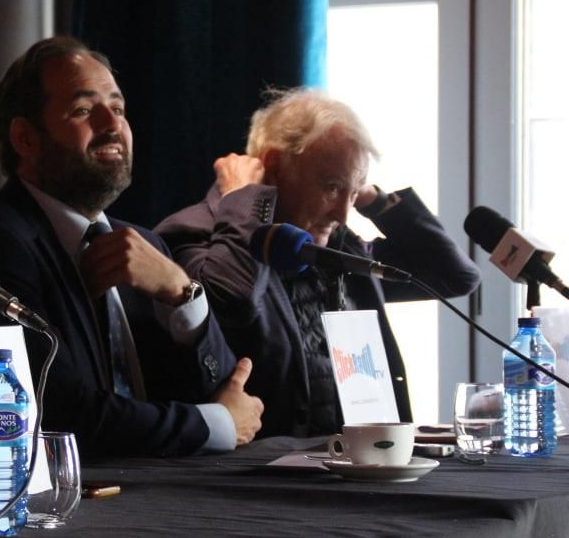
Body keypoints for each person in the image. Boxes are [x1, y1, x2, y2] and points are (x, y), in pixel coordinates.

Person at [0, 36, 263, 458]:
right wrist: (213, 424)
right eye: (82, 110)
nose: (112, 125)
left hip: (162, 484)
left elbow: (220, 389)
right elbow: (56, 411)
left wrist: (183, 292)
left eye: (118, 108)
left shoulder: (145, 245)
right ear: (25, 138)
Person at [156, 88, 481, 438]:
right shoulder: (193, 232)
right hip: (260, 465)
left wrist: (372, 199)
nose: (343, 214)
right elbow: (232, 302)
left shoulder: (340, 246)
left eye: (352, 194)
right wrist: (242, 199)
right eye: (331, 187)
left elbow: (454, 276)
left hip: (359, 458)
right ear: (274, 167)